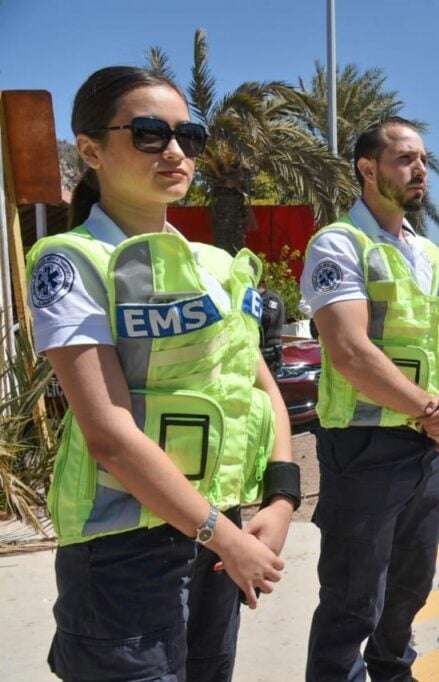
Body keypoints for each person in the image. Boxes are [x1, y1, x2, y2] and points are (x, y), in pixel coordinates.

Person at [25, 66, 299, 681]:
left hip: (217, 537)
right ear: (91, 149)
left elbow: (256, 383)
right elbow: (107, 433)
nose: (175, 151)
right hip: (123, 552)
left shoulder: (214, 265)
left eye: (189, 137)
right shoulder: (71, 260)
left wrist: (281, 497)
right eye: (149, 134)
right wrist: (225, 540)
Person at [302, 116, 439, 681]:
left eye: (423, 158)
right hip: (364, 448)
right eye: (405, 158)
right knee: (353, 599)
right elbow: (350, 351)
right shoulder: (340, 244)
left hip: (423, 451)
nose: (419, 168)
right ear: (367, 169)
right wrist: (432, 412)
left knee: (409, 585)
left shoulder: (428, 254)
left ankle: (393, 671)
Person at [259, 284, 285, 375]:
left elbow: (268, 318)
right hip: (261, 351)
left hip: (270, 351)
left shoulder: (272, 299)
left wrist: (251, 310)